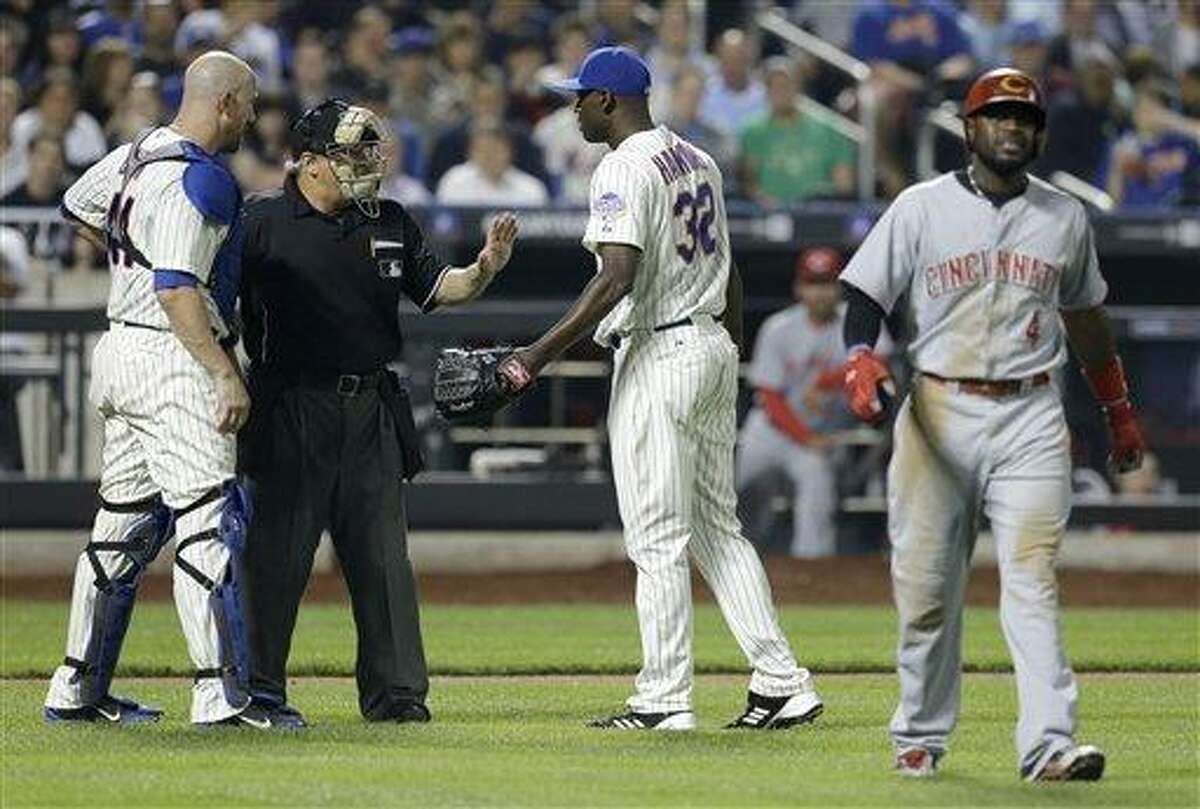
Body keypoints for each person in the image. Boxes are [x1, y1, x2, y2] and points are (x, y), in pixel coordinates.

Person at [500, 46, 822, 731]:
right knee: (716, 530)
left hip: (661, 351)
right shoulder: (697, 158)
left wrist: (535, 354)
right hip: (707, 345)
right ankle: (781, 680)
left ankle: (663, 697)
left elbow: (615, 274)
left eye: (580, 97)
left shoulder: (622, 163)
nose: (574, 107)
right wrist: (727, 348)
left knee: (658, 538)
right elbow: (730, 273)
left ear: (610, 100)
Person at [838, 67, 1146, 780]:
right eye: (998, 116)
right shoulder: (921, 207)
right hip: (939, 410)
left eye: (1024, 119)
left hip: (1031, 412)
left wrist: (1118, 407)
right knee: (925, 587)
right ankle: (918, 732)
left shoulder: (1065, 216)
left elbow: (1087, 319)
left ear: (1038, 134)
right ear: (970, 129)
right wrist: (859, 355)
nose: (1012, 128)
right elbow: (863, 291)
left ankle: (1048, 746)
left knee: (1032, 578)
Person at [238, 98, 519, 727]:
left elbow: (436, 288)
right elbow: (217, 304)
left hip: (370, 408)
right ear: (309, 163)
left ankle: (397, 696)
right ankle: (257, 690)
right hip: (290, 405)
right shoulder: (262, 224)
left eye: (371, 149)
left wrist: (482, 269)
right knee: (276, 559)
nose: (368, 162)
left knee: (384, 559)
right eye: (350, 152)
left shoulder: (389, 218)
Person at [44, 51, 263, 726]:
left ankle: (76, 687)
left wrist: (134, 247)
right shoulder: (202, 178)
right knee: (208, 521)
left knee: (122, 530)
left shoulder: (135, 154)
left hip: (119, 349)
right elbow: (176, 287)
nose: (252, 117)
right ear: (224, 103)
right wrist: (224, 370)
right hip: (173, 355)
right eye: (249, 103)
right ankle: (218, 693)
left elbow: (77, 205)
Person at [736, 248, 861, 558]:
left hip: (816, 438)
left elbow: (879, 360)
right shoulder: (779, 327)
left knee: (816, 485)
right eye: (813, 283)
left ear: (839, 286)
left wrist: (828, 381)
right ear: (799, 288)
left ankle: (812, 570)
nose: (820, 292)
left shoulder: (855, 322)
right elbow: (770, 398)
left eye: (827, 283)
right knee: (741, 493)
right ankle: (737, 564)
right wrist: (806, 437)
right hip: (771, 431)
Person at [737, 58, 857, 205]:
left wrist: (822, 199)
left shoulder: (829, 126)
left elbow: (844, 184)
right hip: (771, 214)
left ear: (799, 87)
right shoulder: (753, 130)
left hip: (819, 212)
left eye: (785, 86)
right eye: (773, 87)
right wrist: (764, 200)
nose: (779, 92)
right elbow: (749, 183)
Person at [436, 124, 549, 207]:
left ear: (510, 151)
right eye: (482, 149)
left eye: (495, 149)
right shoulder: (454, 181)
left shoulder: (531, 189)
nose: (489, 155)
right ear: (470, 152)